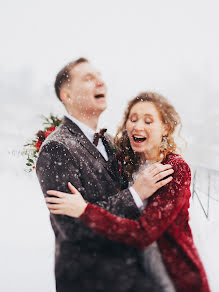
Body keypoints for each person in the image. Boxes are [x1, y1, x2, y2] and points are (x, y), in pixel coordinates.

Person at [46, 92, 210, 292]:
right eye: (133, 119)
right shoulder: (126, 163)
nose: (137, 126)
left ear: (165, 128)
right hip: (136, 276)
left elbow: (143, 232)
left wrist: (85, 211)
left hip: (174, 277)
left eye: (148, 121)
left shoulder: (174, 169)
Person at [36, 59, 174, 292]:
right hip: (92, 280)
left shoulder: (110, 142)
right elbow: (72, 227)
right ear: (66, 95)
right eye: (88, 78)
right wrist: (135, 194)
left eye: (99, 76)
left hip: (133, 276)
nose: (101, 81)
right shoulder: (56, 148)